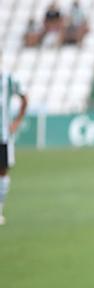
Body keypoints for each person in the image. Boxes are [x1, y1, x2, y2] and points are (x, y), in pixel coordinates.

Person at [0, 64, 28, 226]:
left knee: (2, 172)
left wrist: (17, 121)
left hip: (3, 136)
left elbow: (25, 98)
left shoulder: (9, 80)